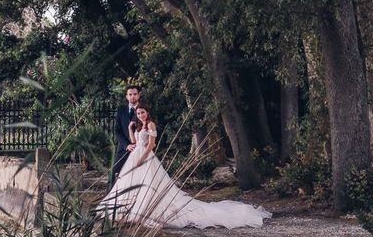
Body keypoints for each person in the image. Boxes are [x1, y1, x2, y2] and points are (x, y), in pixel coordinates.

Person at [100, 103, 271, 229]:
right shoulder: (138, 125)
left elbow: (151, 145)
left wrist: (141, 159)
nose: (141, 115)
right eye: (138, 113)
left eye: (143, 112)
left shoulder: (151, 125)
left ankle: (146, 210)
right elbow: (134, 142)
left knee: (149, 185)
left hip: (145, 157)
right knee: (130, 183)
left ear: (147, 112)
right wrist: (131, 129)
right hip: (135, 155)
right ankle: (128, 209)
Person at [109, 84, 141, 189]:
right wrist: (127, 145)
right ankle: (107, 199)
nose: (133, 96)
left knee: (140, 176)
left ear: (139, 95)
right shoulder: (121, 111)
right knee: (114, 173)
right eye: (130, 94)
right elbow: (117, 131)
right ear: (126, 97)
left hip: (140, 148)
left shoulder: (144, 110)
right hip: (123, 148)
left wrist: (138, 144)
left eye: (135, 94)